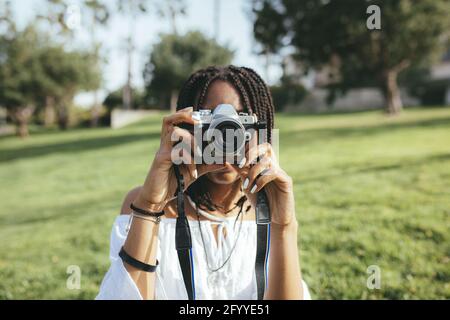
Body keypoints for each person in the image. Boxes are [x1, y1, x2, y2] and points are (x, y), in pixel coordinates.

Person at [96, 65, 311, 300]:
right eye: (211, 120)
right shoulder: (142, 203)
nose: (225, 135)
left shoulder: (270, 208)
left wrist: (283, 226)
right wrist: (150, 206)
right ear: (185, 125)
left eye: (239, 120)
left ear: (262, 129)